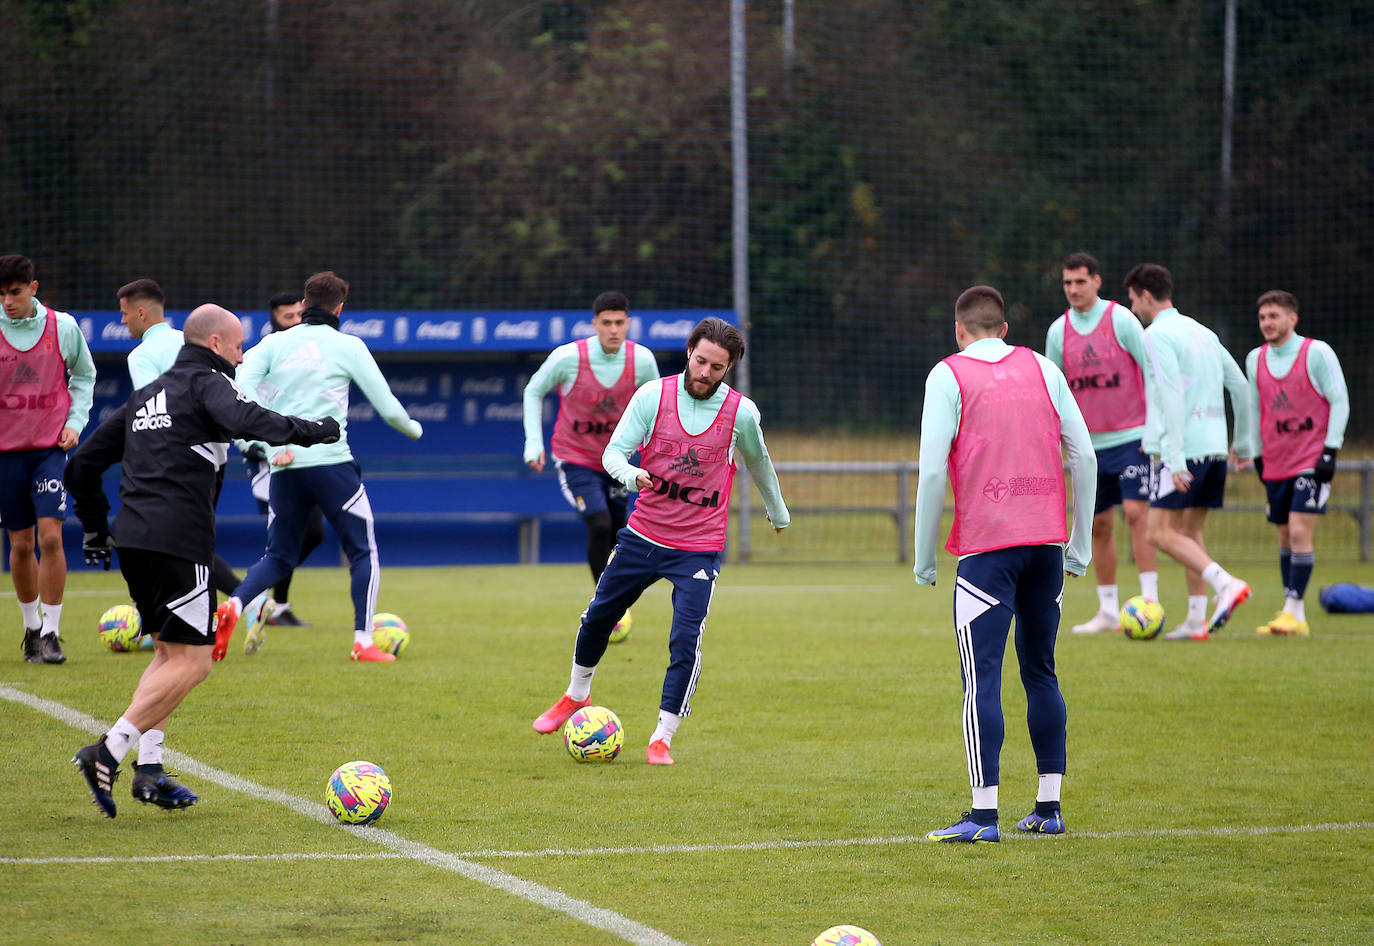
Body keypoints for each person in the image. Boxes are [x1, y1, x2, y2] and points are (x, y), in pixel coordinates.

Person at [65, 304, 339, 817]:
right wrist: (313, 430)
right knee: (194, 662)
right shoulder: (208, 382)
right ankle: (107, 751)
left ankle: (150, 770)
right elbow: (246, 418)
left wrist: (97, 527)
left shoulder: (146, 396)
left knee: (169, 655)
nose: (241, 357)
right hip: (180, 541)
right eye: (238, 347)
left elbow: (82, 464)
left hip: (134, 539)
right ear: (215, 345)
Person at [531, 317, 788, 765]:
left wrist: (778, 509)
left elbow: (759, 462)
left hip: (698, 547)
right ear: (689, 352)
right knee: (598, 617)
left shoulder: (741, 414)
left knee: (684, 639)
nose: (706, 372)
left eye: (717, 367)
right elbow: (613, 452)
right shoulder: (653, 397)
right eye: (701, 360)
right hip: (643, 536)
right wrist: (631, 475)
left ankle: (662, 736)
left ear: (730, 368)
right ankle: (576, 695)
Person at [915, 285, 1095, 843]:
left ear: (958, 329)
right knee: (1041, 670)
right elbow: (1084, 456)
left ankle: (983, 816)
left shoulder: (948, 374)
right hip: (1046, 546)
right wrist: (1080, 545)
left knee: (981, 679)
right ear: (1005, 329)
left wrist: (924, 560)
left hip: (987, 552)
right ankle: (1048, 806)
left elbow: (929, 473)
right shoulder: (1044, 368)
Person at [214, 271, 424, 662]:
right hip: (331, 464)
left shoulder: (272, 344)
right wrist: (413, 430)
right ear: (340, 308)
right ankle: (363, 642)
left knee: (277, 556)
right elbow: (390, 409)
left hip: (285, 466)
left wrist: (263, 444)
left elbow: (237, 393)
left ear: (304, 305)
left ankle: (236, 604)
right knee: (363, 551)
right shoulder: (348, 346)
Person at [1124, 263, 1255, 641]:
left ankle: (1225, 583)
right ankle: (1197, 620)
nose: (1134, 309)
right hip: (1213, 449)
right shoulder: (1204, 333)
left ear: (1146, 296)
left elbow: (1170, 393)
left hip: (1182, 452)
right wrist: (1242, 444)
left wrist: (1175, 458)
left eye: (1134, 301)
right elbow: (1242, 389)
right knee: (1190, 532)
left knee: (1158, 534)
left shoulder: (1156, 335)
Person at [522, 291, 659, 642]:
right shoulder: (568, 358)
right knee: (598, 524)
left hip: (618, 461)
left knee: (617, 530)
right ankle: (606, 606)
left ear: (628, 323)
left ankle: (612, 601)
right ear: (594, 324)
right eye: (607, 323)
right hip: (575, 459)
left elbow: (656, 409)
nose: (614, 329)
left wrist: (652, 455)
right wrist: (533, 443)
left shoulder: (641, 360)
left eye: (620, 322)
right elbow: (534, 390)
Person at [1044, 253, 1158, 632]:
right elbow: (1055, 392)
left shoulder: (1120, 320)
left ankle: (1150, 603)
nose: (1073, 290)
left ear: (1096, 281)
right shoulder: (1058, 332)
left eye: (1080, 281)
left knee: (1139, 515)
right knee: (1099, 525)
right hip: (1088, 447)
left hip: (1132, 438)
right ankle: (1108, 610)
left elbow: (1152, 372)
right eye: (1067, 283)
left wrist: (1154, 430)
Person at [119, 278, 245, 603]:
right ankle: (237, 603)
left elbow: (153, 411)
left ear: (142, 313)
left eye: (125, 313)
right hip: (213, 456)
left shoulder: (141, 356)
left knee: (165, 543)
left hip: (171, 464)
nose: (123, 321)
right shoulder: (194, 343)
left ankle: (172, 620)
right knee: (196, 539)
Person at [0, 254, 96, 665]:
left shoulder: (63, 327)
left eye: (15, 292)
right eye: (1, 294)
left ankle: (54, 633)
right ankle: (32, 628)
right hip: (6, 455)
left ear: (33, 288)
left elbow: (85, 375)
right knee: (21, 547)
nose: (8, 301)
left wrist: (75, 421)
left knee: (51, 537)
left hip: (48, 451)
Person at [1239, 290, 1349, 636]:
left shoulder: (1316, 353)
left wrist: (1330, 450)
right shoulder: (1255, 359)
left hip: (1311, 459)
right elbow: (1255, 408)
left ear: (1292, 319)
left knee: (1301, 530)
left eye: (1274, 316)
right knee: (1285, 534)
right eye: (1262, 318)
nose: (1267, 323)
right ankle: (1290, 606)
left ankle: (1294, 611)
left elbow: (1340, 400)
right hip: (1276, 461)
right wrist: (1256, 452)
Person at [239, 291, 325, 629]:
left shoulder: (305, 356)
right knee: (288, 536)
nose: (295, 321)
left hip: (303, 460)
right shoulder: (262, 357)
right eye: (287, 317)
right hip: (269, 466)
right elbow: (243, 408)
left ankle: (270, 601)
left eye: (298, 315)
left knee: (313, 533)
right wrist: (260, 448)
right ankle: (261, 600)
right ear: (274, 319)